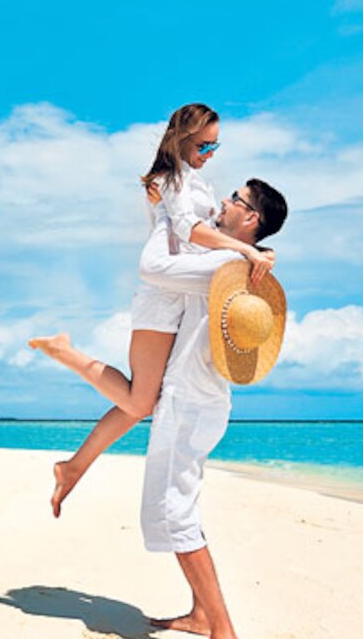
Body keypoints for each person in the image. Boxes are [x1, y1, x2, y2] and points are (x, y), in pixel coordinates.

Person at [38, 179, 289, 639]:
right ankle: (200, 615)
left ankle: (225, 638)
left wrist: (160, 215)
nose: (224, 204)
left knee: (175, 514)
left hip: (190, 403)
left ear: (251, 219)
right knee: (180, 502)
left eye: (235, 200)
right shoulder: (235, 266)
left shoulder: (222, 265)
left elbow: (155, 268)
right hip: (203, 401)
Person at [29, 104, 273, 509]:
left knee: (141, 401)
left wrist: (259, 249)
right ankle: (64, 352)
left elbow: (209, 232)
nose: (211, 152)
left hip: (183, 300)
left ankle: (72, 469)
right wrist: (245, 249)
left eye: (216, 144)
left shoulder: (196, 183)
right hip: (162, 298)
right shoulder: (171, 178)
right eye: (204, 144)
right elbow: (188, 231)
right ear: (182, 137)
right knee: (141, 402)